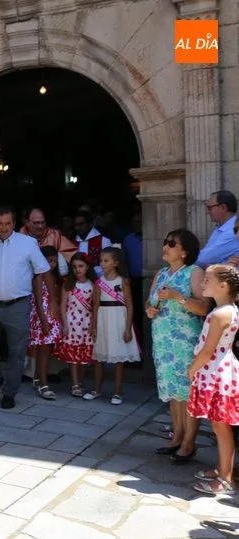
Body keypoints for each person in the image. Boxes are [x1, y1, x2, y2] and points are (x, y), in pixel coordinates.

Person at [0, 207, 53, 409]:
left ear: (14, 224)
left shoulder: (28, 243)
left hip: (18, 305)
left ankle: (10, 392)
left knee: (16, 352)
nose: (4, 227)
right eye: (0, 223)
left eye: (7, 223)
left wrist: (53, 301)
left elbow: (43, 270)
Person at [146, 229, 206, 461]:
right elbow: (149, 302)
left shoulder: (194, 272)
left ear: (185, 251)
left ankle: (189, 443)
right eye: (165, 242)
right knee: (174, 392)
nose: (166, 246)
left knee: (188, 392)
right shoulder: (161, 273)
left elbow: (202, 307)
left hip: (185, 341)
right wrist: (150, 310)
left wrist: (176, 297)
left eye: (171, 243)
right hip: (163, 340)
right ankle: (177, 435)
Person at [187, 264, 239, 495]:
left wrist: (193, 368)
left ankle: (225, 477)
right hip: (219, 370)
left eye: (207, 280)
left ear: (223, 285)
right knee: (219, 425)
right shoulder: (227, 310)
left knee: (221, 426)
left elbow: (208, 351)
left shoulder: (220, 314)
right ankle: (222, 469)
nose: (202, 284)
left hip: (216, 371)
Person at [86, 247, 140, 404]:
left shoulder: (123, 281)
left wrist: (128, 328)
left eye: (106, 260)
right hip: (103, 318)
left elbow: (130, 306)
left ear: (116, 263)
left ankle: (117, 392)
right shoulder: (98, 283)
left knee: (118, 359)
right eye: (101, 260)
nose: (102, 264)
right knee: (99, 357)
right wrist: (94, 325)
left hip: (118, 319)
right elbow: (95, 305)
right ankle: (97, 389)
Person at [58, 253, 97, 396]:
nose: (77, 270)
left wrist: (94, 325)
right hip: (72, 322)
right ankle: (74, 384)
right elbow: (63, 305)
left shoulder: (93, 285)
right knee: (73, 356)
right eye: (74, 267)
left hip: (86, 322)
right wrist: (64, 324)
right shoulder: (68, 284)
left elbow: (94, 306)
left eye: (80, 266)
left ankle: (80, 381)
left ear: (87, 267)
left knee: (84, 356)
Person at [28, 246, 62, 400]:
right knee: (43, 351)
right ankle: (44, 384)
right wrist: (43, 321)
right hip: (42, 318)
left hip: (51, 317)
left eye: (55, 261)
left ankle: (37, 378)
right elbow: (39, 302)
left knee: (46, 351)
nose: (52, 264)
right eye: (49, 261)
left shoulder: (54, 277)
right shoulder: (38, 277)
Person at [21, 207, 77, 275]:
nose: (40, 226)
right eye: (36, 223)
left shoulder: (55, 235)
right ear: (27, 222)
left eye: (43, 222)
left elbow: (74, 256)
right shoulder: (19, 239)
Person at [197, 190, 239, 268]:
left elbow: (202, 259)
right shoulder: (221, 228)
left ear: (223, 207)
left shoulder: (233, 231)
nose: (207, 212)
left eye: (209, 208)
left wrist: (182, 256)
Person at [74, 209, 111, 276]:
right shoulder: (72, 243)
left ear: (90, 224)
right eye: (76, 225)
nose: (77, 228)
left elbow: (109, 266)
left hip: (100, 281)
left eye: (81, 224)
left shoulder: (104, 241)